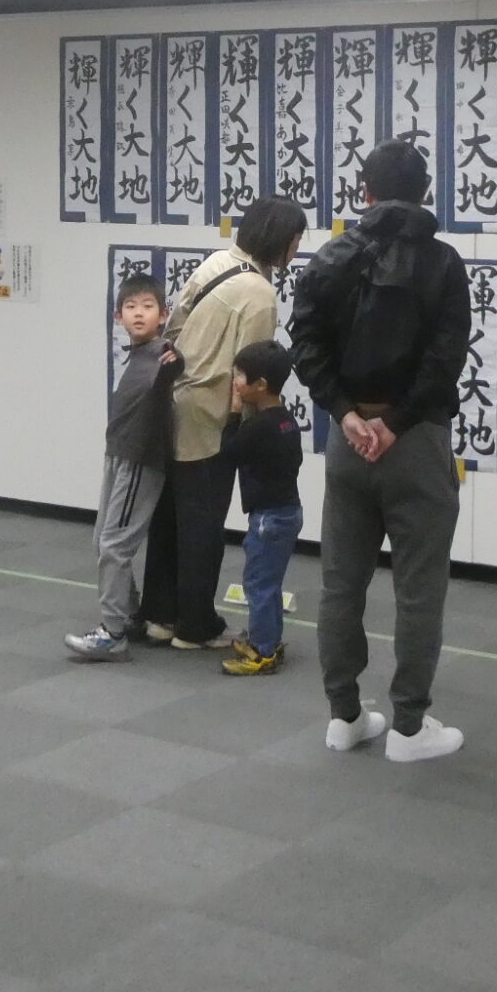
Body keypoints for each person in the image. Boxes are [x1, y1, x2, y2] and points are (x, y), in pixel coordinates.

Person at [289, 140, 471, 761]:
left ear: (364, 192)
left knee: (341, 584)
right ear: (425, 193)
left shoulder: (330, 257)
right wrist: (395, 423)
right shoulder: (443, 263)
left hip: (348, 442)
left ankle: (344, 716)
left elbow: (305, 343)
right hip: (415, 440)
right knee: (419, 588)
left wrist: (345, 413)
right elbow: (445, 358)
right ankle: (409, 728)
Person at [142, 194, 307, 650]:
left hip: (176, 403)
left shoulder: (215, 263)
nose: (297, 248)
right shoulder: (259, 292)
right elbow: (251, 375)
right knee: (203, 524)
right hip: (214, 417)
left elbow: (173, 331)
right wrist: (252, 434)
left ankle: (160, 616)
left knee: (169, 517)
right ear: (279, 239)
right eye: (296, 239)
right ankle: (195, 626)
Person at [64, 274, 175, 662]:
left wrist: (175, 362)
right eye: (131, 307)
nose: (139, 313)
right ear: (118, 317)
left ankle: (112, 634)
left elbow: (175, 370)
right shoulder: (139, 353)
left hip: (140, 461)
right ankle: (128, 616)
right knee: (102, 542)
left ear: (163, 315)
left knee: (114, 546)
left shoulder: (163, 354)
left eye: (147, 306)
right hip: (118, 456)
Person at [217, 341, 304, 678]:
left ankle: (262, 651)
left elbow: (229, 452)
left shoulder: (258, 426)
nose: (235, 382)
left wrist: (234, 413)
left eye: (240, 376)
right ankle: (269, 639)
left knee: (258, 584)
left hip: (269, 518)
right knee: (270, 582)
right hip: (288, 511)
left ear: (261, 385)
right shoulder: (286, 421)